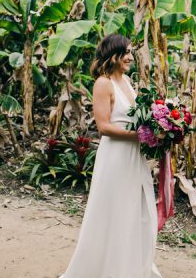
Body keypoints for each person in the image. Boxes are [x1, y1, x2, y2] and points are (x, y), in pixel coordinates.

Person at [61, 34, 162, 278]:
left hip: (134, 158)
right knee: (115, 211)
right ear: (112, 55)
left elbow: (138, 118)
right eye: (125, 52)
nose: (130, 57)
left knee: (138, 211)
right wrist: (139, 136)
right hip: (116, 158)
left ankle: (131, 267)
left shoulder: (127, 81)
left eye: (130, 52)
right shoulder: (103, 84)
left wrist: (161, 124)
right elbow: (104, 127)